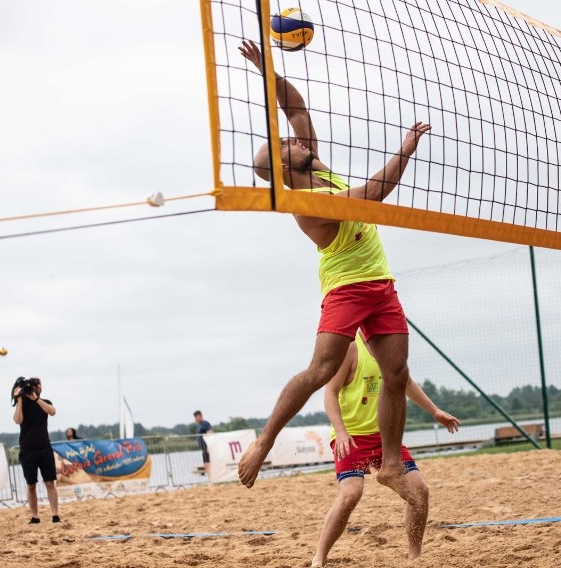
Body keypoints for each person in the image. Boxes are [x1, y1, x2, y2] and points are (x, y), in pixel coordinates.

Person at [236, 40, 431, 496]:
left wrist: (267, 69)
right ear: (283, 165)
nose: (292, 139)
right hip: (345, 287)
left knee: (396, 374)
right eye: (285, 144)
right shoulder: (307, 204)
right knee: (321, 369)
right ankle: (264, 442)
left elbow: (296, 107)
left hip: (380, 283)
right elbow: (374, 194)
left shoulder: (315, 162)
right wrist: (404, 150)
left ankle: (388, 463)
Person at [312, 332, 460, 566]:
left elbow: (407, 383)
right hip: (352, 436)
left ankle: (414, 556)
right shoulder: (352, 348)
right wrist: (340, 431)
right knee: (351, 493)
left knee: (420, 491)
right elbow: (330, 392)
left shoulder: (390, 345)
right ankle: (319, 558)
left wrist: (435, 411)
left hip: (385, 437)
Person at [12, 376, 61, 524]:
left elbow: (52, 412)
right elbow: (17, 420)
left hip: (44, 447)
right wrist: (19, 400)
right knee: (31, 484)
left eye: (37, 384)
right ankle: (35, 516)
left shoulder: (44, 402)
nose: (36, 386)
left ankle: (55, 514)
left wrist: (35, 399)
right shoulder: (22, 405)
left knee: (50, 482)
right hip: (27, 449)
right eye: (34, 384)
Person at [193, 410, 213, 476]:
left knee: (207, 463)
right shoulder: (200, 425)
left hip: (206, 447)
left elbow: (210, 432)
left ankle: (211, 477)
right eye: (194, 417)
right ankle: (209, 477)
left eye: (196, 417)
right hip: (203, 447)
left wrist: (208, 446)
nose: (195, 419)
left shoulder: (205, 423)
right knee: (205, 462)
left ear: (200, 416)